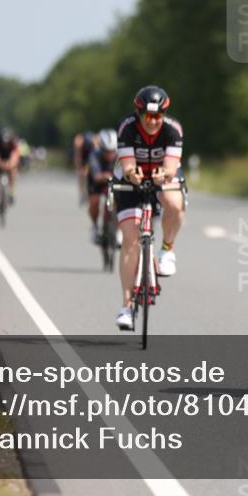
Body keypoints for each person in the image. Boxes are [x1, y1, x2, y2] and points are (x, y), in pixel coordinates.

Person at [112, 85, 185, 330]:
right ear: (139, 113)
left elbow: (172, 167)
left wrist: (163, 175)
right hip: (130, 179)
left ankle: (167, 249)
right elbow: (128, 164)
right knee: (131, 238)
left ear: (164, 115)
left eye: (158, 116)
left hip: (161, 174)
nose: (153, 121)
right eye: (147, 116)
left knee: (175, 203)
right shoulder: (127, 127)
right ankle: (126, 305)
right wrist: (133, 174)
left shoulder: (173, 129)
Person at [87, 128, 119, 244]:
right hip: (97, 183)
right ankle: (95, 225)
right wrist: (105, 176)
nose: (109, 154)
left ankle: (118, 229)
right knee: (94, 202)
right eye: (106, 151)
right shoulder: (94, 156)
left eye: (112, 151)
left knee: (121, 201)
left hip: (114, 182)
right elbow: (96, 176)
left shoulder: (119, 156)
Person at [0, 127, 21, 215]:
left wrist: (10, 164)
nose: (5, 144)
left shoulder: (13, 143)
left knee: (13, 171)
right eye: (3, 142)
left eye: (7, 143)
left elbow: (15, 156)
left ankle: (11, 192)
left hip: (9, 159)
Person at [73, 131, 96, 206]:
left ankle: (89, 193)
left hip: (91, 157)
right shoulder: (78, 142)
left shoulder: (95, 142)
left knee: (89, 175)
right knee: (81, 176)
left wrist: (91, 169)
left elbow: (95, 157)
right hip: (83, 158)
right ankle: (81, 194)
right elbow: (78, 157)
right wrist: (79, 169)